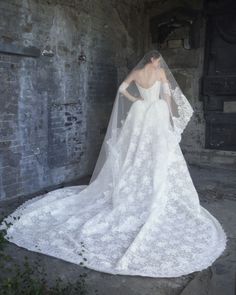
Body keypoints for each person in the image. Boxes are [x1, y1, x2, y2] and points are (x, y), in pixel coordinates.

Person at [0, 50, 227, 278]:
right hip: (155, 114)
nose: (160, 63)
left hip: (139, 113)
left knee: (134, 152)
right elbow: (167, 99)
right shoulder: (159, 74)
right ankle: (153, 188)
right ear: (155, 60)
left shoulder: (138, 73)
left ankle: (137, 184)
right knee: (156, 154)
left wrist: (136, 100)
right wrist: (169, 118)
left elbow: (121, 89)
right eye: (159, 60)